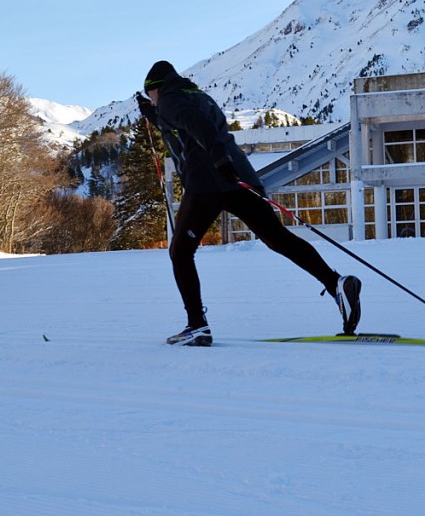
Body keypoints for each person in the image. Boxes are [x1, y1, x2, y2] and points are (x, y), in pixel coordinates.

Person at [136, 60, 361, 346]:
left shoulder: (169, 101)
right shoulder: (195, 96)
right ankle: (336, 284)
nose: (154, 101)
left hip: (208, 181)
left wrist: (218, 159)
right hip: (239, 176)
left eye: (151, 96)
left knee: (180, 252)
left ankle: (197, 326)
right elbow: (188, 123)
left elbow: (199, 127)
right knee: (278, 238)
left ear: (155, 88)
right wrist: (152, 114)